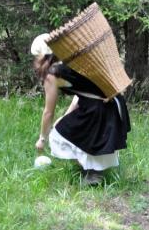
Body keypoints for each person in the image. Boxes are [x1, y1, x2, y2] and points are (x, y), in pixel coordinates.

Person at [30, 33, 131, 186]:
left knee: (56, 136)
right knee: (71, 132)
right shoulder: (70, 62)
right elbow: (82, 93)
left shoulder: (52, 74)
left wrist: (42, 138)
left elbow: (48, 112)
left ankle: (92, 172)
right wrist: (65, 117)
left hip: (98, 108)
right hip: (112, 105)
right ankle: (92, 170)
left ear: (41, 56)